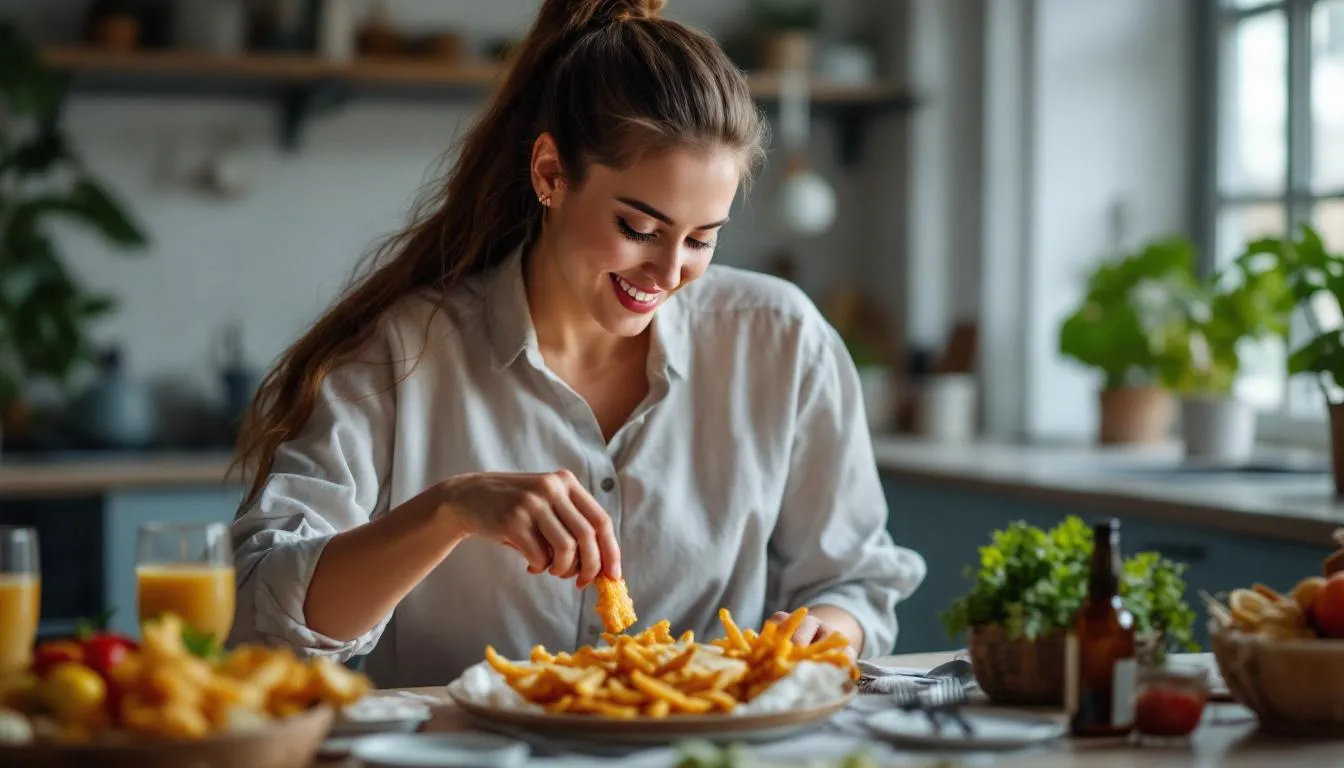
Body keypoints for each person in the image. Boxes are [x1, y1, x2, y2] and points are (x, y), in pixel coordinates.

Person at [228, 0, 926, 688]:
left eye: (702, 238)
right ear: (550, 175)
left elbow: (855, 577)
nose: (667, 271)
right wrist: (450, 510)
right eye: (639, 228)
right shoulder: (406, 351)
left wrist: (827, 626)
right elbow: (264, 619)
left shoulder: (781, 339)